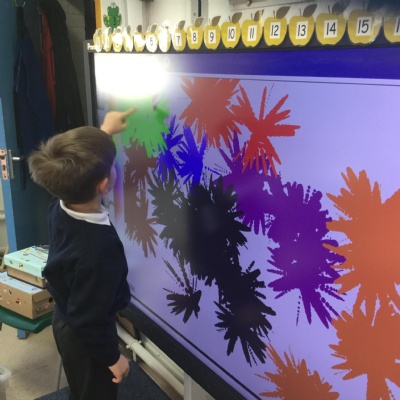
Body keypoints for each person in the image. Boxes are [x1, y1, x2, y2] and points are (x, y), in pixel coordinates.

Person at [28, 108, 137, 400]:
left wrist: (105, 131)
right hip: (85, 335)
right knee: (94, 393)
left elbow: (79, 166)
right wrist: (113, 357)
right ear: (104, 184)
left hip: (65, 315)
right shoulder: (97, 252)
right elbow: (90, 320)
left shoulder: (60, 205)